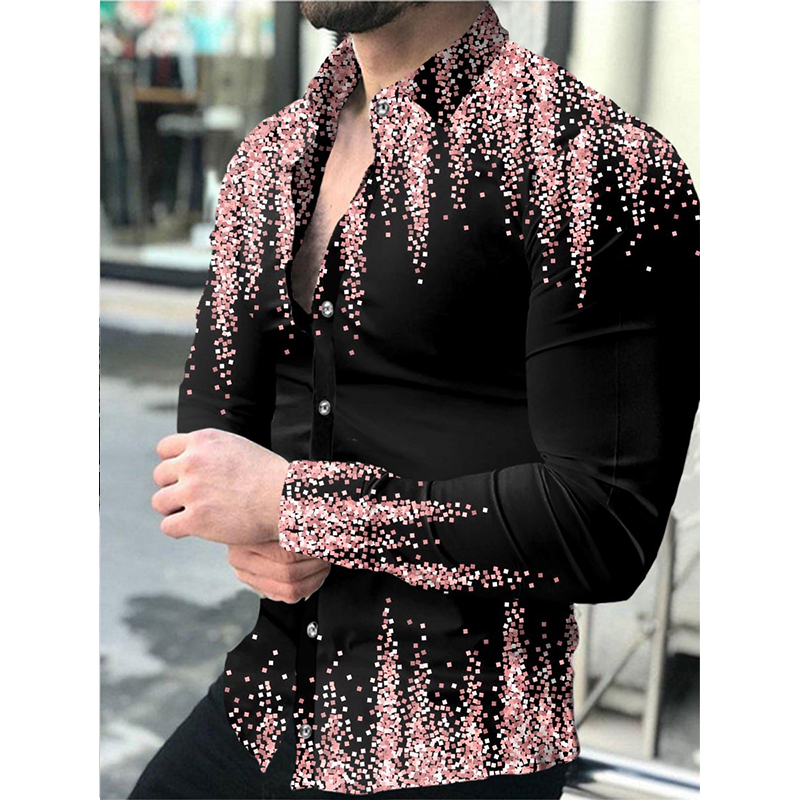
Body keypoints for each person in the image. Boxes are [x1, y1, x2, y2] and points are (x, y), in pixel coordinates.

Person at [132, 1, 700, 797]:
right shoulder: (272, 156)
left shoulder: (594, 161)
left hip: (459, 744)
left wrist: (300, 507)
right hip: (269, 703)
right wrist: (248, 521)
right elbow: (211, 440)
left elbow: (603, 522)